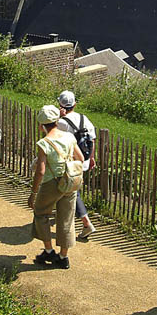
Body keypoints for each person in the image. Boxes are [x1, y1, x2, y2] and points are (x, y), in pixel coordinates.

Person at [29, 105, 84, 270]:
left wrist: (33, 193)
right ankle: (63, 256)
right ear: (57, 121)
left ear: (41, 125)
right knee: (66, 218)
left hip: (52, 183)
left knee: (41, 213)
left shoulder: (44, 143)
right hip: (69, 182)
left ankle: (49, 250)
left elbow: (41, 171)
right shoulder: (68, 136)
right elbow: (80, 158)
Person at [56, 90, 97, 239]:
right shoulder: (83, 118)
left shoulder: (61, 122)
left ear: (60, 105)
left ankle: (86, 223)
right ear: (74, 104)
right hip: (84, 160)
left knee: (72, 191)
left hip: (70, 162)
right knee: (73, 188)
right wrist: (91, 158)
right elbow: (92, 138)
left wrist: (60, 117)